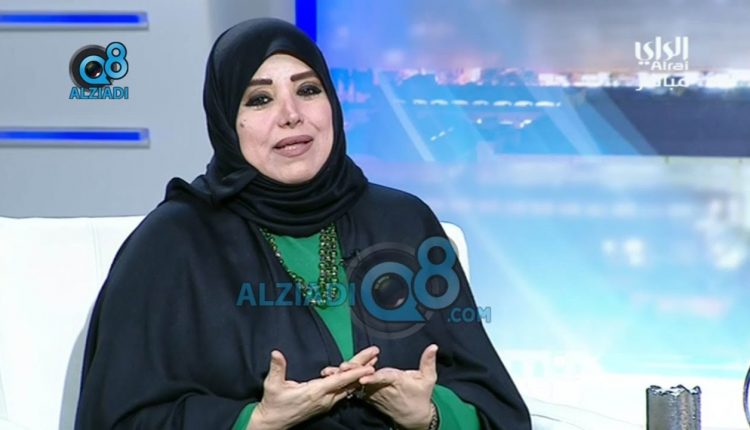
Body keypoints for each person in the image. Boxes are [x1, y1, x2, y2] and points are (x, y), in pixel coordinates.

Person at [74, 18, 531, 430]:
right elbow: (118, 418)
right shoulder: (173, 242)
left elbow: (495, 408)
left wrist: (429, 416)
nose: (291, 114)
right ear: (227, 122)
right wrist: (257, 422)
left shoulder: (404, 222)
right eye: (260, 99)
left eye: (308, 90)